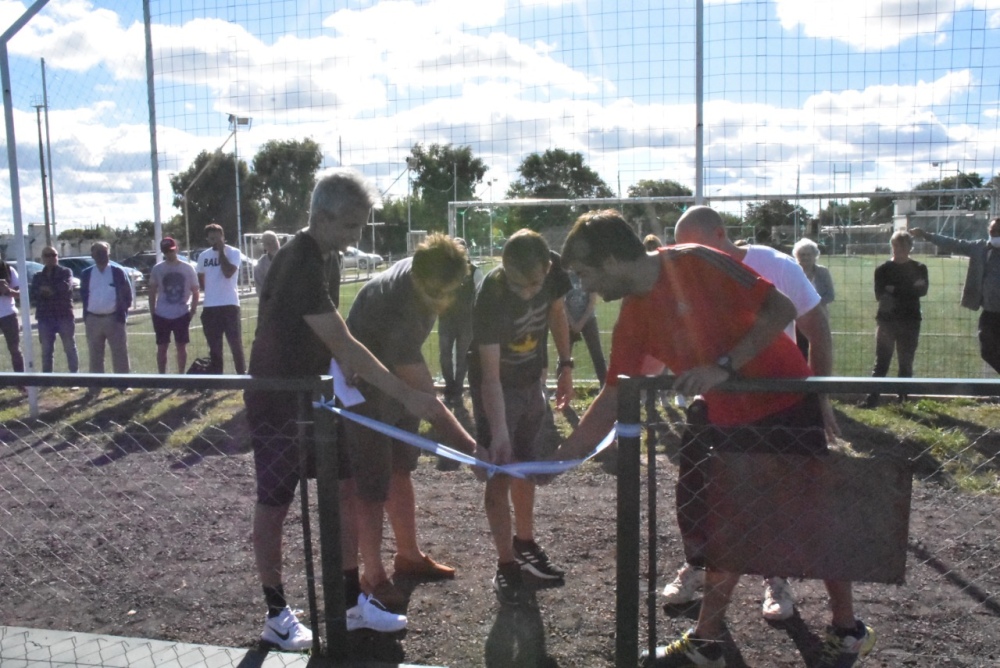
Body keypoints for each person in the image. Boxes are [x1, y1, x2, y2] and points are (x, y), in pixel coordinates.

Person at [550, 209, 874, 668]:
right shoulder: (632, 316)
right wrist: (558, 460)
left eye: (585, 274)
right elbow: (611, 397)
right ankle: (707, 643)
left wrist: (722, 366)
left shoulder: (697, 259)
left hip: (787, 408)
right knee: (729, 531)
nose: (588, 288)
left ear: (610, 260)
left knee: (811, 522)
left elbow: (780, 309)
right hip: (729, 420)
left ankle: (847, 632)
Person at [245, 170, 475, 650]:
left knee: (348, 491)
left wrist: (339, 368)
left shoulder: (326, 257)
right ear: (322, 216)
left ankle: (350, 605)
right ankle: (275, 613)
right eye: (351, 226)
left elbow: (326, 340)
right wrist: (404, 393)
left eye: (359, 226)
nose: (356, 238)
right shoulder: (301, 259)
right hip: (277, 401)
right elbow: (344, 342)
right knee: (275, 504)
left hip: (318, 400)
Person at [672, 206, 840, 621]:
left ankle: (776, 578)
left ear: (721, 233)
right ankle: (699, 567)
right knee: (707, 492)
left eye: (695, 246)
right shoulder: (693, 277)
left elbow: (816, 329)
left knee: (779, 494)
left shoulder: (775, 265)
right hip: (719, 404)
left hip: (775, 405)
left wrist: (820, 398)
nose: (689, 257)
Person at [344, 234, 481, 608]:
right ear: (418, 278)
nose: (441, 300)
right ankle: (372, 577)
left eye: (447, 291)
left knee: (400, 468)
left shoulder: (443, 269)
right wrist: (474, 453)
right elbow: (430, 405)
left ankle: (408, 556)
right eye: (434, 292)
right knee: (371, 486)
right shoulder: (400, 304)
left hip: (395, 371)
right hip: (364, 384)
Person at [469, 229, 574, 606]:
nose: (524, 292)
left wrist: (565, 366)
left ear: (547, 268)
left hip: (533, 379)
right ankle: (506, 564)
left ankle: (525, 543)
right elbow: (491, 377)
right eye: (516, 282)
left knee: (526, 465)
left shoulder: (555, 272)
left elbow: (557, 312)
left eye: (532, 285)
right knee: (501, 467)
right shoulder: (491, 297)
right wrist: (498, 432)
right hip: (495, 388)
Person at [912, 221, 1000, 374]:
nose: (995, 234)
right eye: (993, 230)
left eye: (998, 231)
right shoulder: (980, 248)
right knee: (987, 351)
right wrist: (926, 235)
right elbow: (953, 244)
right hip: (990, 312)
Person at [860, 231, 928, 408]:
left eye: (904, 245)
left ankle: (903, 399)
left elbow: (922, 291)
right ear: (892, 246)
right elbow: (879, 294)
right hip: (887, 321)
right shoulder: (882, 269)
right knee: (881, 362)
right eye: (896, 245)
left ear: (910, 247)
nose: (899, 249)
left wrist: (894, 289)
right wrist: (909, 289)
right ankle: (872, 399)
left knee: (906, 362)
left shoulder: (920, 267)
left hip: (911, 320)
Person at [437, 237, 481, 409]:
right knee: (445, 356)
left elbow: (479, 296)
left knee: (463, 357)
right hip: (446, 320)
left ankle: (457, 390)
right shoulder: (444, 272)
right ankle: (450, 387)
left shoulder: (475, 272)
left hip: (466, 322)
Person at [198, 223, 246, 374]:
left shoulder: (233, 252)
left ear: (223, 237)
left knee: (235, 344)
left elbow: (228, 272)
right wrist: (212, 293)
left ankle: (242, 377)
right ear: (207, 239)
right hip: (211, 307)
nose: (216, 241)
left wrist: (221, 252)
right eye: (212, 238)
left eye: (218, 238)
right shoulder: (203, 256)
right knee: (214, 346)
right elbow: (201, 279)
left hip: (230, 305)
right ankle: (217, 377)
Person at [80, 241, 132, 380]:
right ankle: (96, 386)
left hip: (114, 319)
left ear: (109, 253)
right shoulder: (86, 274)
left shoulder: (118, 272)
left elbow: (127, 295)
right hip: (93, 319)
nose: (102, 255)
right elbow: (84, 295)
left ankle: (123, 384)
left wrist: (121, 314)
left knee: (120, 353)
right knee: (95, 355)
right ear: (92, 255)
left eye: (104, 252)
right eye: (98, 252)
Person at [148, 237, 200, 374]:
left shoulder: (187, 268)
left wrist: (192, 311)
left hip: (181, 313)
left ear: (176, 248)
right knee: (162, 347)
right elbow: (152, 291)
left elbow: (196, 291)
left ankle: (181, 376)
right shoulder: (158, 269)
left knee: (181, 347)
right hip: (161, 314)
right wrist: (153, 312)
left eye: (171, 250)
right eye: (166, 251)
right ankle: (162, 377)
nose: (169, 254)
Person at [30, 246, 78, 373]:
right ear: (43, 258)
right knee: (46, 350)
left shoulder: (66, 271)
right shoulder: (38, 276)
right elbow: (34, 293)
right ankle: (47, 379)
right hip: (45, 317)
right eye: (48, 255)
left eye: (54, 255)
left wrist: (46, 290)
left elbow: (64, 287)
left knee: (69, 348)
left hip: (64, 315)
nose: (51, 257)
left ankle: (75, 378)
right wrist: (51, 290)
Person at [792, 238, 836, 360]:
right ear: (796, 255)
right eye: (802, 254)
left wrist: (814, 304)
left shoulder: (823, 272)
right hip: (797, 317)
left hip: (819, 316)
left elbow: (830, 295)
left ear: (815, 255)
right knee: (800, 351)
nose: (805, 257)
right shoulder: (792, 271)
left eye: (808, 254)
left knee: (819, 352)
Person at [564, 271, 607, 386]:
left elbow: (592, 302)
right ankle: (562, 388)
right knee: (564, 357)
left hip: (588, 320)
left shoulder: (587, 275)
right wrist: (571, 322)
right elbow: (562, 304)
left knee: (597, 354)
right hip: (568, 321)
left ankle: (605, 387)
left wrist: (581, 323)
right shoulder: (564, 276)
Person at [0, 259, 24, 375]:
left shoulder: (8, 270)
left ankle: (21, 381)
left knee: (15, 349)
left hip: (8, 314)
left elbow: (21, 294)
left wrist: (7, 290)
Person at [254, 231, 280, 296]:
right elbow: (260, 288)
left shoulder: (291, 257)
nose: (272, 245)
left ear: (278, 241)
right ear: (264, 246)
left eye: (273, 241)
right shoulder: (261, 265)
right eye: (268, 243)